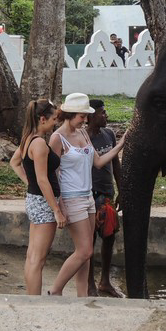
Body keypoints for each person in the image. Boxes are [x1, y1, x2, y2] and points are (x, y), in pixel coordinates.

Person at [47, 93, 126, 297]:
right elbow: (52, 175)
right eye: (82, 116)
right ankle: (55, 291)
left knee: (86, 254)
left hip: (88, 197)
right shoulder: (57, 139)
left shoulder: (82, 134)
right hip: (71, 198)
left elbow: (99, 162)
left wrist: (121, 144)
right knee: (85, 250)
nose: (85, 119)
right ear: (71, 114)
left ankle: (82, 296)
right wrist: (59, 206)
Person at [9, 99, 64, 295]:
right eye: (53, 119)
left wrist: (28, 183)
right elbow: (42, 180)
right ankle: (34, 303)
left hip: (35, 200)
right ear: (42, 119)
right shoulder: (39, 143)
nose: (55, 123)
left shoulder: (28, 138)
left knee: (32, 255)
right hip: (43, 203)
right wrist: (56, 210)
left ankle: (31, 299)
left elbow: (14, 163)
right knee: (37, 259)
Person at [86, 99, 124, 297]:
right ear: (91, 116)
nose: (106, 116)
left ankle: (105, 281)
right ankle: (90, 283)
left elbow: (115, 163)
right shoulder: (83, 138)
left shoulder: (108, 134)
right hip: (90, 194)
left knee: (109, 236)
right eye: (102, 113)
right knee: (89, 239)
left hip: (107, 193)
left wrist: (121, 189)